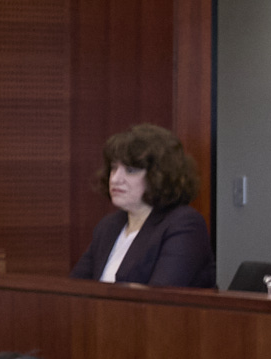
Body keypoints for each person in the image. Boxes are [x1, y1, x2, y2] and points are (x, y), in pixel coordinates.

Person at [73, 123, 213, 288]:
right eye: (114, 168)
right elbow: (76, 289)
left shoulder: (184, 224)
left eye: (131, 170)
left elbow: (159, 298)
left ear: (159, 175)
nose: (116, 179)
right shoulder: (108, 226)